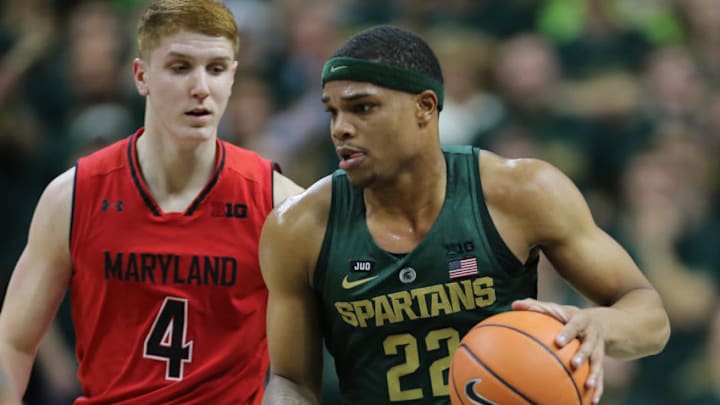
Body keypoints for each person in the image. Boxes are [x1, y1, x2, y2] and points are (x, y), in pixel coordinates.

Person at [259, 25, 670, 405]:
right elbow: (291, 378)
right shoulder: (298, 227)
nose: (340, 129)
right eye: (332, 112)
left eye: (362, 108)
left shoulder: (522, 191)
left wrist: (600, 326)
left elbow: (649, 315)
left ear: (424, 107)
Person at [0, 0, 303, 404]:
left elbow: (305, 366)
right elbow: (13, 343)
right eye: (180, 67)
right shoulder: (72, 196)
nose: (200, 87)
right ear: (141, 76)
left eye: (215, 69)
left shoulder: (277, 202)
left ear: (232, 77)